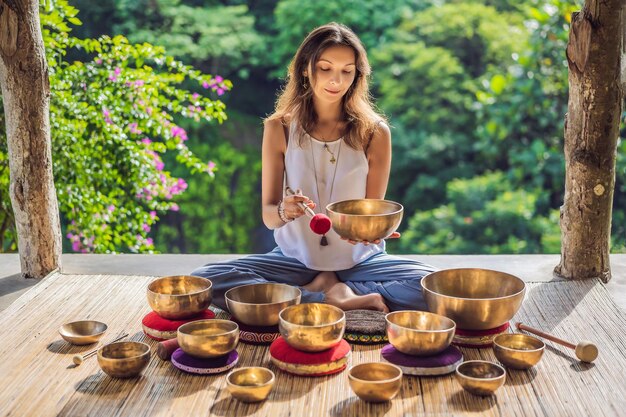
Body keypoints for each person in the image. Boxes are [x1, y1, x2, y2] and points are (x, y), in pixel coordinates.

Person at [191, 22, 436, 313]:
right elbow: (269, 217)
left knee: (434, 286)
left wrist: (372, 231)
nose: (337, 80)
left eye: (347, 71)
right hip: (294, 260)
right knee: (204, 280)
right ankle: (324, 297)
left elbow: (372, 211)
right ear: (306, 68)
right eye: (325, 68)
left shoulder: (375, 132)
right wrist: (285, 210)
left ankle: (330, 292)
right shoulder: (278, 127)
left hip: (361, 262)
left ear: (358, 74)